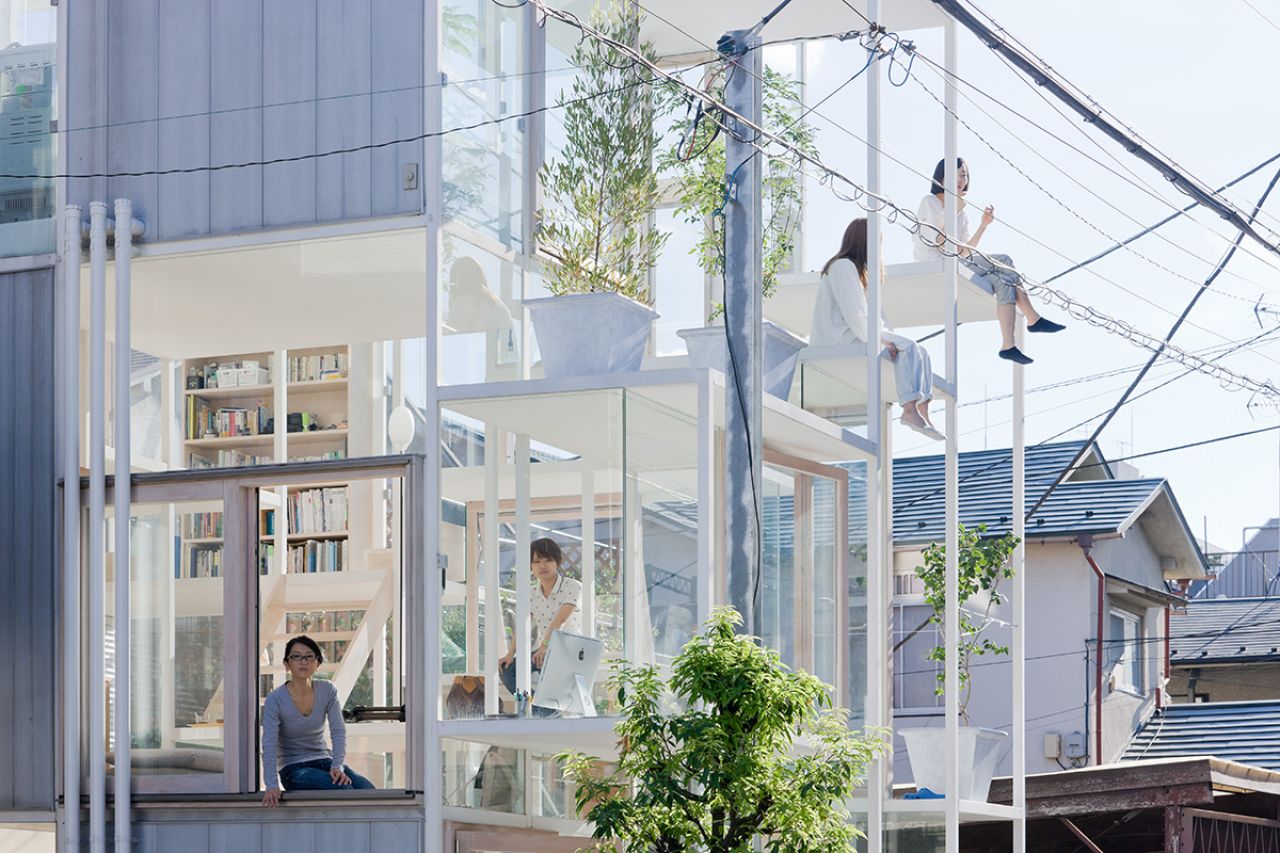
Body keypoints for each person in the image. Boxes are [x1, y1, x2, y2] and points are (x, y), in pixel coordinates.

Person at [914, 157, 1065, 364]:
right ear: (942, 176)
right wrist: (955, 210)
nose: (961, 180)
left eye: (964, 175)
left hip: (956, 261)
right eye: (957, 174)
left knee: (1003, 280)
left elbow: (964, 251)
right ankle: (1033, 318)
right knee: (1004, 260)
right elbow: (939, 243)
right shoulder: (930, 202)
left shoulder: (961, 210)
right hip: (935, 263)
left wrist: (983, 226)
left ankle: (1008, 345)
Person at [811, 217, 944, 440]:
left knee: (920, 351)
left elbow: (874, 316)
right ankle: (910, 409)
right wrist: (880, 339)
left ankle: (922, 409)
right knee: (908, 347)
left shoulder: (860, 273)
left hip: (856, 335)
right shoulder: (842, 267)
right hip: (839, 340)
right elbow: (857, 316)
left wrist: (884, 338)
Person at [261, 635, 375, 807]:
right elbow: (268, 744)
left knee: (371, 792)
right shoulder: (275, 699)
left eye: (309, 656)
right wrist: (271, 785)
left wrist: (337, 766)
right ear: (287, 664)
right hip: (294, 768)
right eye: (296, 656)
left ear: (317, 663)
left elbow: (338, 731)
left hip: (324, 761)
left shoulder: (327, 690)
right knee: (344, 791)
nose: (303, 661)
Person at [498, 537, 582, 705]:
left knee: (545, 660)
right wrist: (509, 654)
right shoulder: (531, 593)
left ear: (557, 562)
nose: (542, 566)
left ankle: (545, 710)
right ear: (531, 566)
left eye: (548, 560)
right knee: (507, 669)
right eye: (536, 561)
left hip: (573, 650)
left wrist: (544, 647)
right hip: (546, 652)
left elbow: (560, 621)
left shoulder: (573, 586)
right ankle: (541, 706)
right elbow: (523, 625)